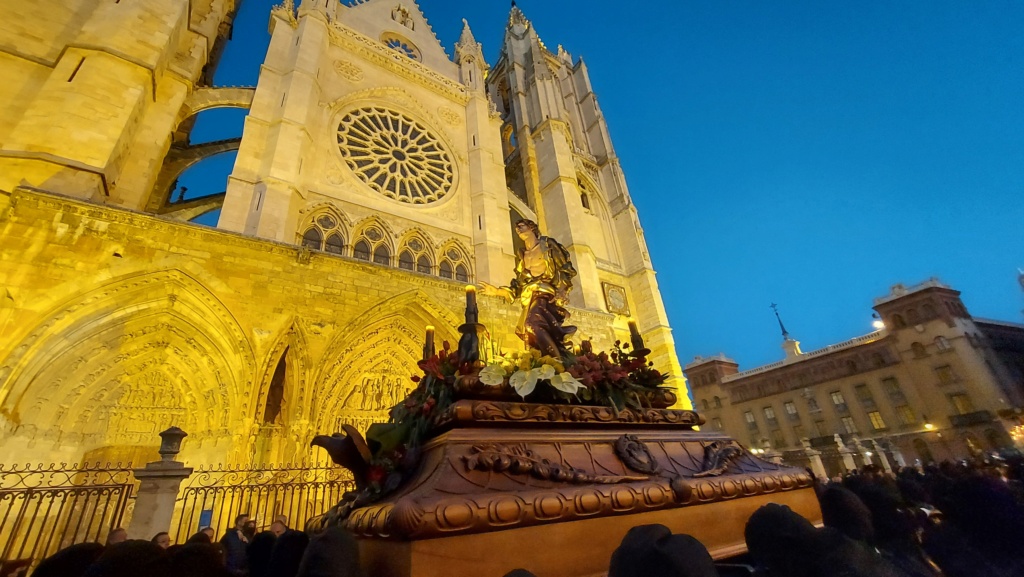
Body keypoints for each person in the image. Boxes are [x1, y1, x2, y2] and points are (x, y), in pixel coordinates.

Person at [479, 219, 577, 357]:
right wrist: (497, 291)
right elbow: (518, 285)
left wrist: (562, 289)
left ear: (532, 228)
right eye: (516, 228)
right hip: (529, 297)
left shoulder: (547, 245)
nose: (518, 230)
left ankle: (557, 360)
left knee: (533, 323)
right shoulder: (523, 255)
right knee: (531, 336)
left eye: (521, 226)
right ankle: (545, 359)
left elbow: (565, 267)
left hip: (546, 293)